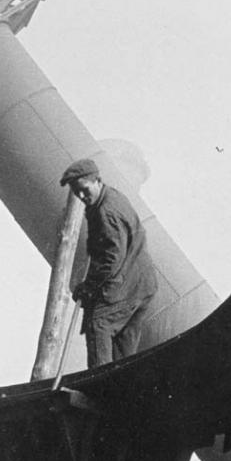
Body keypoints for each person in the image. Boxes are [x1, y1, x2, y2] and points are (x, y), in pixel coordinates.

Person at [60, 158, 159, 368]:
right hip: (143, 284)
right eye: (76, 192)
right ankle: (121, 393)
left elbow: (111, 260)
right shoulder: (110, 196)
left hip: (128, 284)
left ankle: (101, 392)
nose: (81, 196)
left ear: (97, 181)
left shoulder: (107, 212)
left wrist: (88, 288)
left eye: (84, 189)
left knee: (99, 324)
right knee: (123, 347)